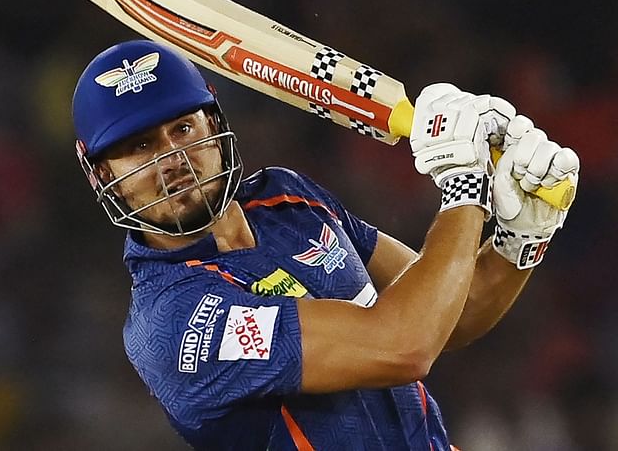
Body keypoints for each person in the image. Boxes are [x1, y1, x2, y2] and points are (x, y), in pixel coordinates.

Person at [71, 40, 579, 450]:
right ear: (102, 177)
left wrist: (521, 236)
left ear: (216, 127)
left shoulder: (287, 199)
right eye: (139, 147)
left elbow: (453, 310)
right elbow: (404, 345)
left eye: (183, 128)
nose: (172, 159)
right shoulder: (175, 319)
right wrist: (465, 186)